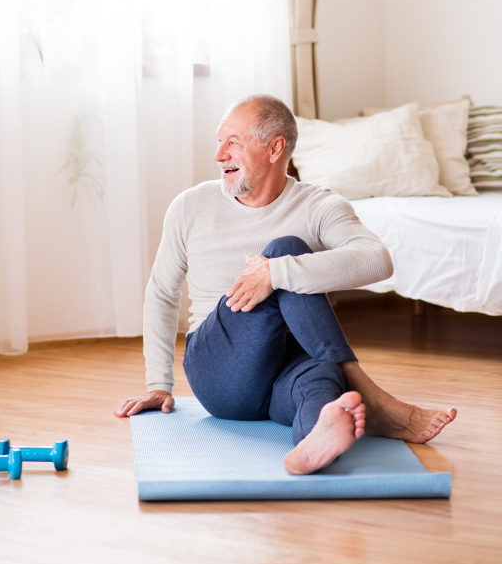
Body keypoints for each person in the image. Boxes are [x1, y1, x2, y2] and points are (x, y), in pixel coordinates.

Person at [115, 95, 456, 474]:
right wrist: (158, 384)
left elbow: (376, 258)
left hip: (287, 371)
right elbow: (162, 293)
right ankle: (371, 395)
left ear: (275, 147)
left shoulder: (317, 204)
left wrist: (275, 274)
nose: (219, 155)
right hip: (221, 373)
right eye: (219, 141)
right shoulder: (190, 206)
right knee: (286, 249)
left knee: (323, 381)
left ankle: (316, 442)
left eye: (234, 142)